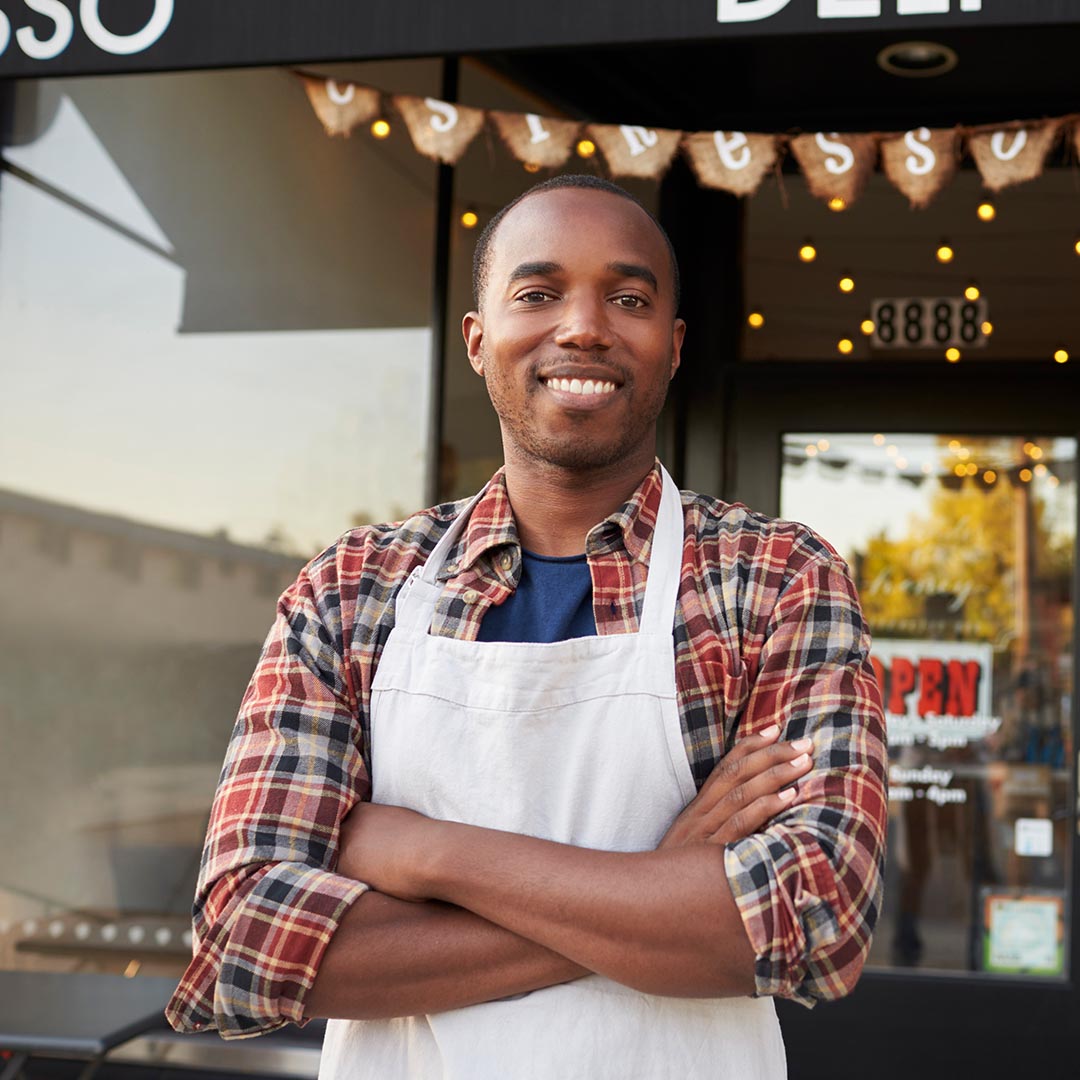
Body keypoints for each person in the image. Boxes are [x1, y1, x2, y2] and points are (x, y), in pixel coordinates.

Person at [166, 174, 887, 1079]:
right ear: (478, 340)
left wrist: (427, 853)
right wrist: (662, 879)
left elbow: (813, 923)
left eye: (628, 299)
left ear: (672, 347)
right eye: (537, 294)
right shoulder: (353, 590)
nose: (583, 327)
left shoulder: (774, 579)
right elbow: (247, 939)